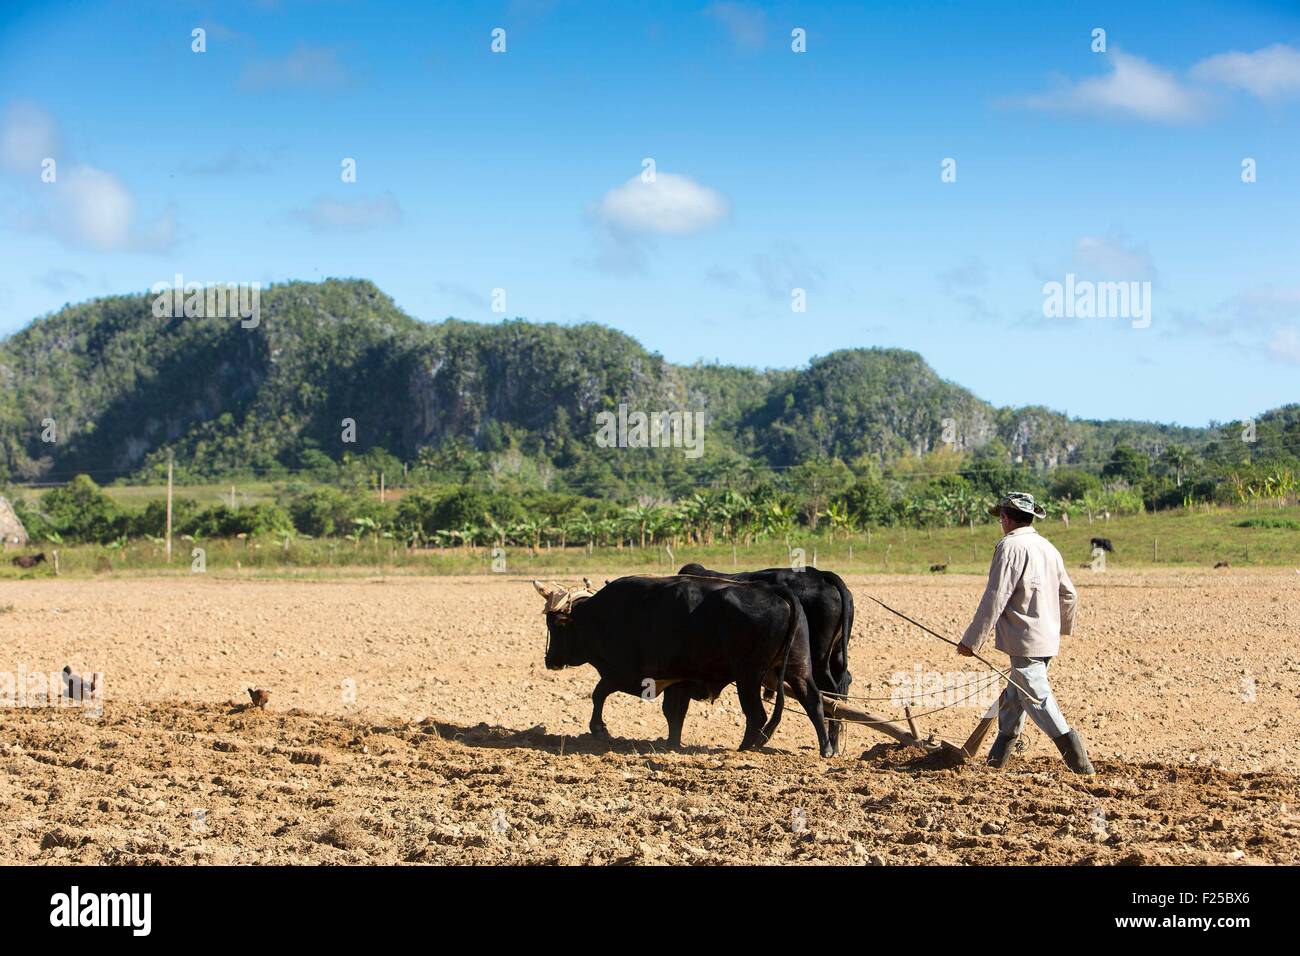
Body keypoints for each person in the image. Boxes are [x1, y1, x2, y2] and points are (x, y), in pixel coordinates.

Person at [957, 492, 1094, 774]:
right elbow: (1069, 594)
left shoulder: (1010, 547)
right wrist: (1059, 628)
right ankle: (997, 761)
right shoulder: (1048, 548)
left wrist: (972, 641)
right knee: (1014, 697)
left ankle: (1080, 764)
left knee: (1037, 698)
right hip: (1045, 639)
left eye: (1001, 519)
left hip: (1024, 641)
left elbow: (995, 597)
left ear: (1006, 519)